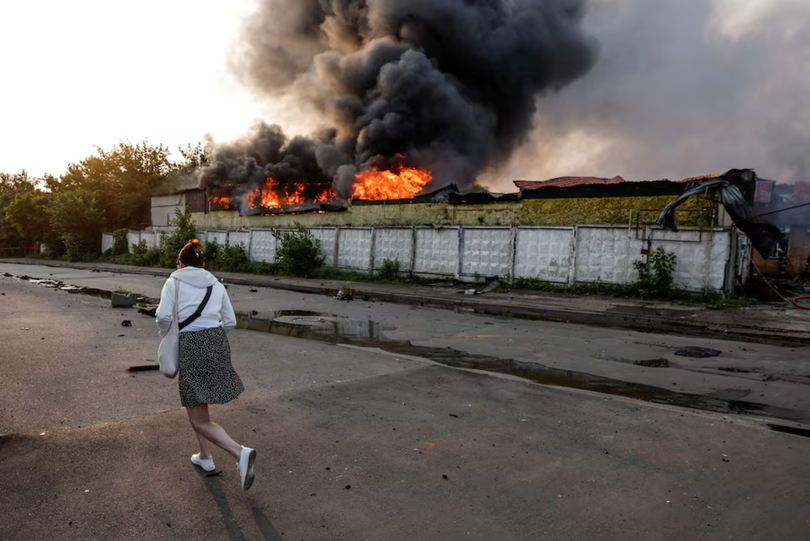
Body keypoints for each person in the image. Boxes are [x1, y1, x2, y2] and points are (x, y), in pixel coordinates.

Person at [155, 239, 256, 490]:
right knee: (198, 405)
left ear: (180, 263)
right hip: (217, 342)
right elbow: (230, 321)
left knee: (198, 416)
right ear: (202, 264)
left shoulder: (174, 280)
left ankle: (240, 452)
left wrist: (169, 334)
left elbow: (162, 316)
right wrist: (211, 337)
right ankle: (205, 457)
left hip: (191, 344)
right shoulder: (215, 283)